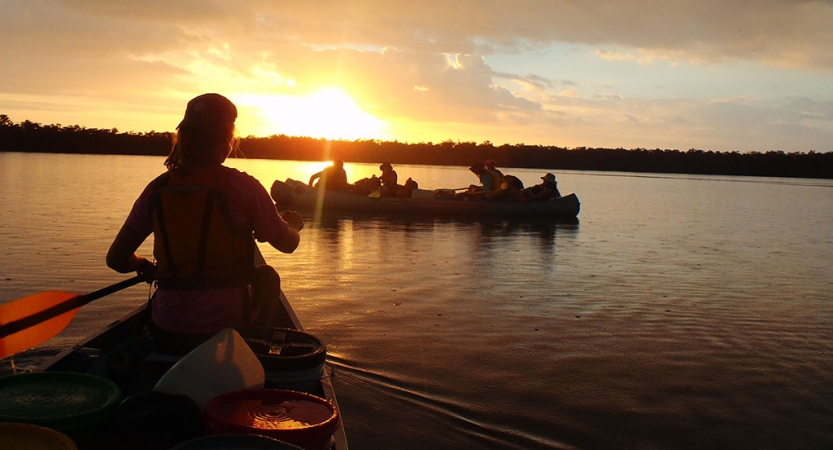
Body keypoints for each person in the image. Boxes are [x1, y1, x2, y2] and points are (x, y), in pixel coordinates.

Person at [106, 93, 304, 354]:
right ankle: (258, 354)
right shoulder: (243, 186)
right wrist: (294, 227)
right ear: (226, 139)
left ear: (183, 138)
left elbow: (117, 259)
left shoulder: (156, 190)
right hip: (230, 325)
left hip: (168, 324)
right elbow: (287, 245)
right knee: (267, 276)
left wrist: (143, 264)